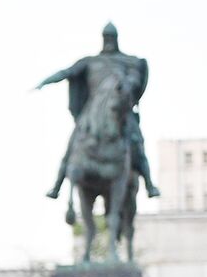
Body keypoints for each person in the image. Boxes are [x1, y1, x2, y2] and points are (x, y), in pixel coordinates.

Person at [38, 22, 159, 199]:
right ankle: (57, 184)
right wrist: (46, 81)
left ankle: (149, 183)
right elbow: (66, 73)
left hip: (120, 111)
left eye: (111, 38)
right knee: (73, 144)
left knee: (137, 141)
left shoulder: (128, 62)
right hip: (92, 112)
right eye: (106, 37)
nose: (109, 41)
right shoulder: (90, 62)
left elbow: (136, 80)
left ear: (116, 39)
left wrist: (127, 84)